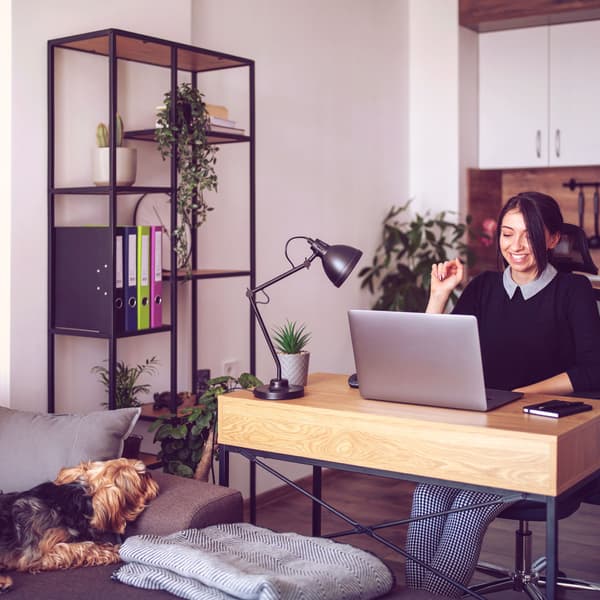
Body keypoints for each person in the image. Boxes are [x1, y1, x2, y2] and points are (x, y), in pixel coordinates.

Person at [405, 191, 600, 597]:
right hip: (483, 435)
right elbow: (431, 356)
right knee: (428, 493)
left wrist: (516, 394)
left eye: (528, 235)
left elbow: (593, 369)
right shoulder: (484, 287)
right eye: (507, 234)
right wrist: (438, 296)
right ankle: (418, 594)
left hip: (540, 442)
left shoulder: (574, 290)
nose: (515, 246)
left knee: (465, 508)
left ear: (552, 238)